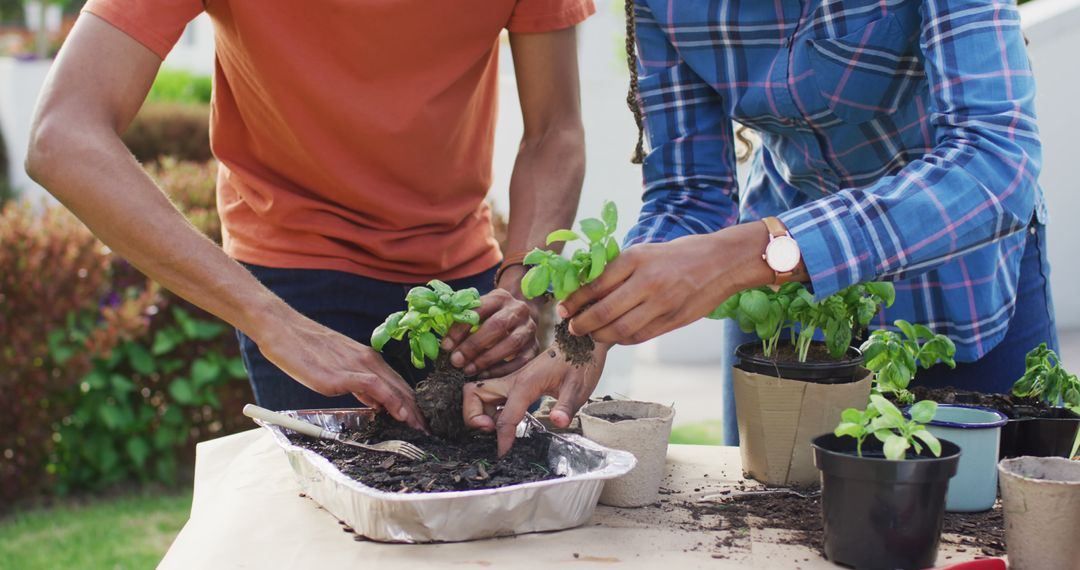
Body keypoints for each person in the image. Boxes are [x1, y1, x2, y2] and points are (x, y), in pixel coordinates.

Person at [467, 0, 1057, 453]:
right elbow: (688, 193)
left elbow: (995, 162)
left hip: (965, 280)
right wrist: (589, 328)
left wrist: (755, 253)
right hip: (783, 311)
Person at [27, 0, 595, 430]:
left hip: (468, 285)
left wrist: (522, 287)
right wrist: (275, 323)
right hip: (293, 279)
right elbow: (63, 136)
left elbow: (555, 131)